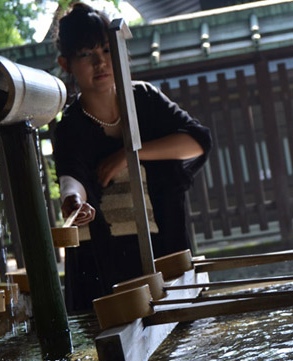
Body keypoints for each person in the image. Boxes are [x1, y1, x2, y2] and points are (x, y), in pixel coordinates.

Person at [53, 3, 212, 312]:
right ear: (66, 63)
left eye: (106, 50)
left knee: (180, 317)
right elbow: (72, 174)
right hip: (104, 256)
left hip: (165, 237)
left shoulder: (145, 98)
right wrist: (73, 200)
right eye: (86, 54)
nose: (100, 62)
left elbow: (197, 141)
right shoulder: (71, 125)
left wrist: (128, 156)